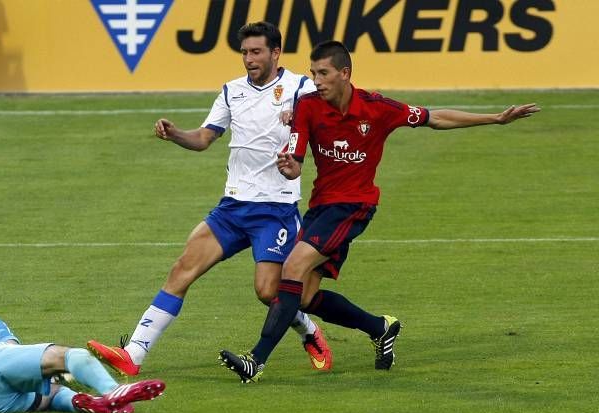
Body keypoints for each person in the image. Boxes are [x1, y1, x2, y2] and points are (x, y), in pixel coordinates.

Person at [219, 40, 540, 383]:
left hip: (355, 206)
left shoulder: (377, 107)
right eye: (313, 73)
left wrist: (494, 118)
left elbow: (435, 118)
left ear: (345, 73)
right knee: (307, 297)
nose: (317, 80)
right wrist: (288, 167)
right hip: (321, 208)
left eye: (323, 73)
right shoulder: (307, 108)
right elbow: (296, 162)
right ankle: (380, 327)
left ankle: (256, 360)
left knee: (292, 269)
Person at [87, 21, 332, 376]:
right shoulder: (232, 91)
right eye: (245, 52)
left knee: (268, 292)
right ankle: (133, 354)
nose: (248, 59)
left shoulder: (301, 88)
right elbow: (204, 138)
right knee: (182, 269)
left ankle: (309, 331)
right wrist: (176, 135)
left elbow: (331, 113)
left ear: (276, 52)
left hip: (276, 210)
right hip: (232, 207)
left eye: (256, 52)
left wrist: (302, 115)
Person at [0, 308, 166, 413]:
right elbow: (10, 350)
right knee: (67, 356)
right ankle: (114, 390)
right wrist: (62, 370)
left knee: (49, 393)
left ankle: (81, 402)